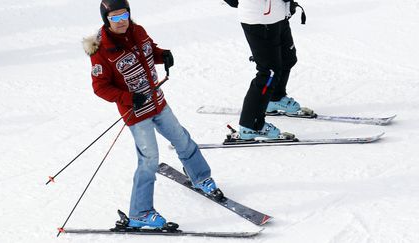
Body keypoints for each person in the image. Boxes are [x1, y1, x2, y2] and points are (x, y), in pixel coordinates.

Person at [83, 0, 222, 229]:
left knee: (182, 139)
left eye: (124, 15)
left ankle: (200, 177)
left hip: (158, 102)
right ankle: (140, 212)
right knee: (149, 160)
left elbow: (147, 52)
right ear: (106, 20)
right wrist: (129, 98)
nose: (121, 22)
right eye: (114, 18)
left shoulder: (137, 30)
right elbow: (100, 88)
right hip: (136, 114)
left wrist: (162, 54)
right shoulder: (102, 50)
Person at [224, 0, 306, 140]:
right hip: (259, 20)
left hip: (279, 14)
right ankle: (251, 125)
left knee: (288, 58)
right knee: (268, 74)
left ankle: (275, 98)